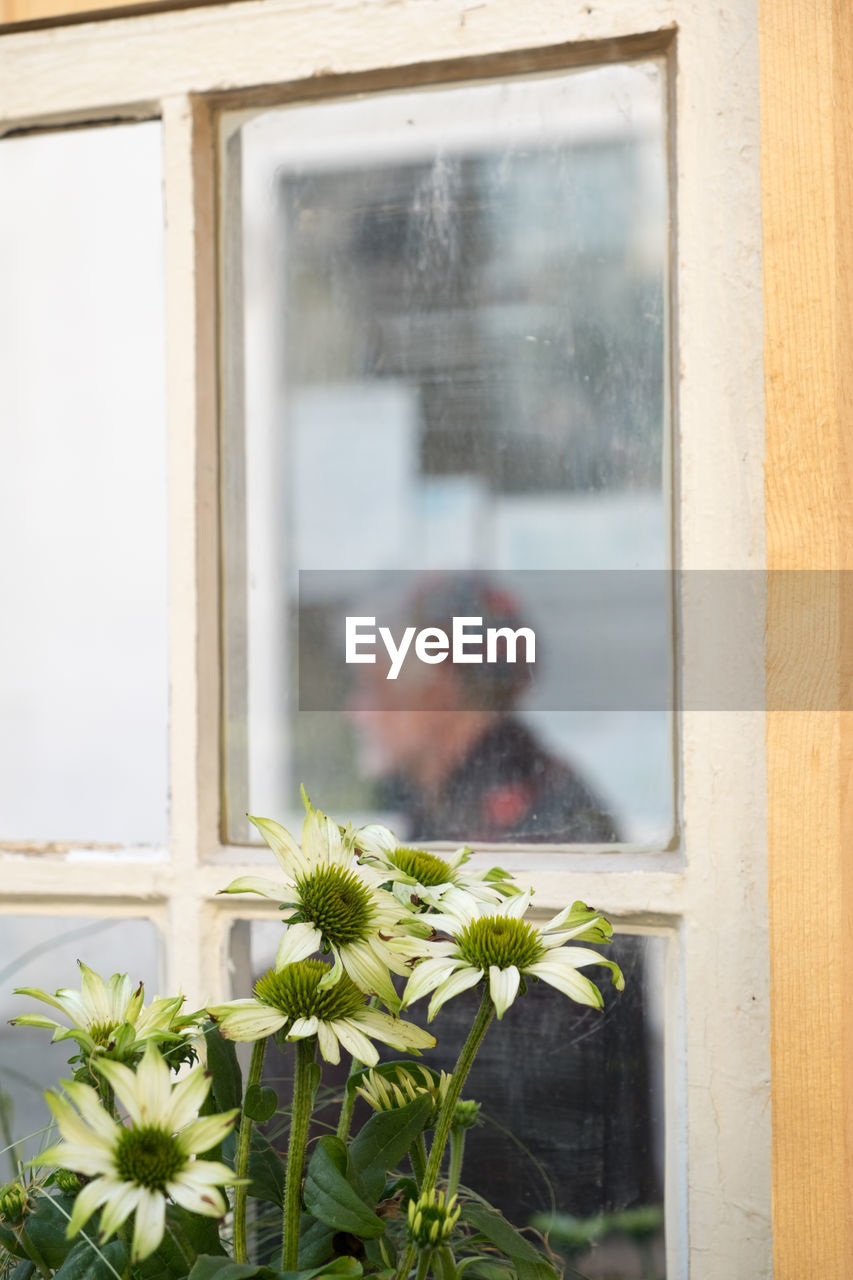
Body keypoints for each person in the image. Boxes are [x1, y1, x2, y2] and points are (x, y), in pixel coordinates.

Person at [344, 574, 661, 1237]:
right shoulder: (452, 801)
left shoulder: (531, 819)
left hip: (531, 1216)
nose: (356, 710)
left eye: (371, 686)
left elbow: (530, 1057)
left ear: (434, 689)